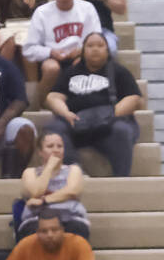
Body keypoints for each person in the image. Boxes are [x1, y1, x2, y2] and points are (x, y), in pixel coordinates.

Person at [44, 32, 143, 178]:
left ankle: (121, 178)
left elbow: (135, 99)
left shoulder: (119, 71)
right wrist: (65, 113)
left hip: (108, 126)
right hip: (77, 124)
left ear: (107, 50)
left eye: (100, 45)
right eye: (90, 46)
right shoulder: (71, 72)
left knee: (122, 130)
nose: (95, 49)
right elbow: (53, 97)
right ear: (83, 51)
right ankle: (75, 172)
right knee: (54, 129)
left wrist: (113, 115)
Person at [22, 0, 101, 103]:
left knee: (81, 64)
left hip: (79, 56)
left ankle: (78, 103)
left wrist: (81, 51)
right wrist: (51, 52)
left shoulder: (87, 9)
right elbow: (29, 49)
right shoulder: (42, 12)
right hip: (51, 57)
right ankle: (38, 102)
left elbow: (97, 40)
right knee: (51, 68)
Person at [0, 17, 36, 178]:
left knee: (24, 128)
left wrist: (0, 124)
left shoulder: (5, 66)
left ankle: (11, 180)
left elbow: (20, 100)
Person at [18, 131, 90, 240]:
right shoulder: (30, 172)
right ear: (40, 152)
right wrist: (49, 167)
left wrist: (44, 200)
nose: (56, 150)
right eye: (50, 146)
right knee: (31, 232)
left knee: (78, 229)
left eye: (59, 146)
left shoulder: (73, 169)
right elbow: (36, 192)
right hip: (37, 218)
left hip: (69, 217)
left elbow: (72, 191)